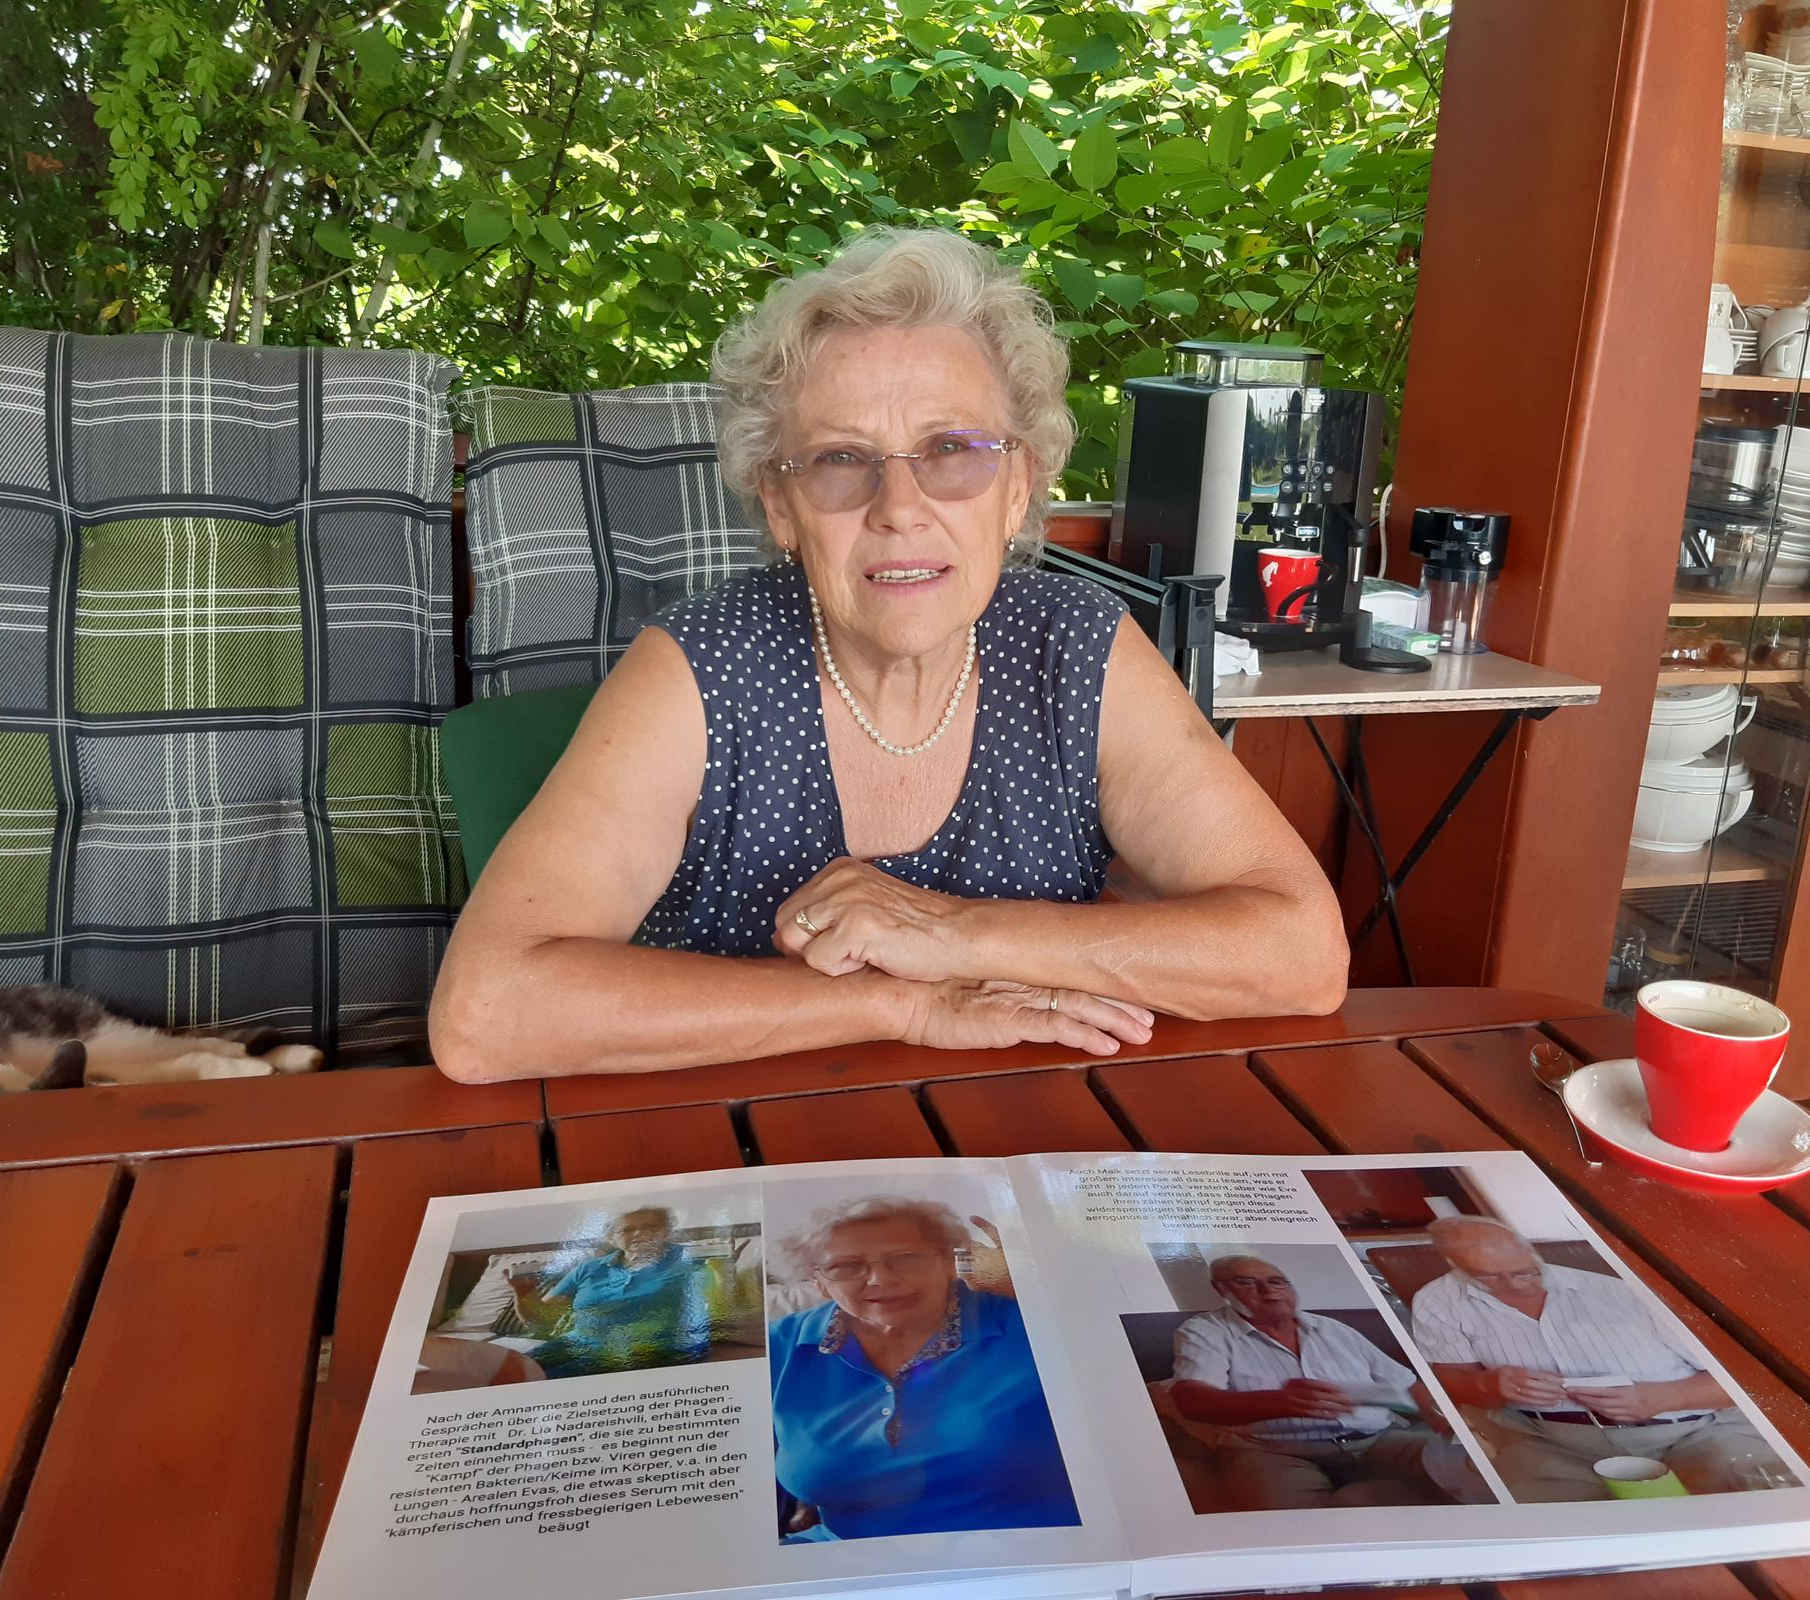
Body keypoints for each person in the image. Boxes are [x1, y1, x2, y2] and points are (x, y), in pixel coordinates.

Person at [431, 227, 1347, 1082]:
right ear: (780, 508)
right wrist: (900, 1004)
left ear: (1018, 484)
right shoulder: (700, 666)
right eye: (839, 459)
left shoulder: (1076, 643)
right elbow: (485, 1013)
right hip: (741, 1159)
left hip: (1016, 1160)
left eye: (951, 449)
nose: (898, 507)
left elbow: (1303, 954)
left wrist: (958, 934)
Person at [766, 1195, 1076, 1540]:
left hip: (1030, 1558)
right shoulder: (779, 1347)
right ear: (818, 1281)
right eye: (847, 1266)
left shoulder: (1036, 1329)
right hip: (846, 1562)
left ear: (947, 1261)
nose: (880, 1279)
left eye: (906, 1259)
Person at [1410, 1217, 1783, 1500]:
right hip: (1552, 1443)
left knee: (1745, 1491)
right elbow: (1450, 1380)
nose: (1515, 1284)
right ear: (1453, 1263)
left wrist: (1661, 1398)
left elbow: (1750, 1382)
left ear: (1533, 1250)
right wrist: (1487, 1384)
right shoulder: (1439, 1301)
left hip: (1694, 1433)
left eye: (1525, 1270)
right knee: (1560, 1526)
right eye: (1488, 1277)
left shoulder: (1627, 1292)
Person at [1168, 1255, 1473, 1510]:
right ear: (1220, 1289)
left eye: (1276, 1281)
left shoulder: (1333, 1328)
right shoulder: (1203, 1332)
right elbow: (1193, 1400)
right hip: (1274, 1451)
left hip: (1377, 1439)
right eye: (1246, 1282)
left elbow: (1409, 1386)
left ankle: (1365, 1499)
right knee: (1299, 1527)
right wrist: (1279, 1402)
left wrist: (1452, 1426)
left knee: (1469, 1466)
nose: (1267, 1290)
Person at [524, 1206, 709, 1378]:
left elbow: (720, 1306)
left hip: (650, 1348)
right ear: (613, 1238)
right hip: (581, 1341)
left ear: (667, 1232)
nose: (638, 1233)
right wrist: (522, 1292)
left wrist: (722, 1270)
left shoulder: (691, 1259)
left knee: (544, 1379)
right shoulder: (589, 1268)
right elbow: (542, 1318)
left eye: (651, 1226)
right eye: (626, 1230)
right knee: (514, 1369)